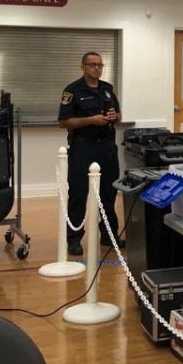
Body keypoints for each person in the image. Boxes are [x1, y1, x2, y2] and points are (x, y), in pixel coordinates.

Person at [58, 51, 122, 257]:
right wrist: (90, 120)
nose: (96, 68)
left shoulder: (107, 89)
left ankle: (109, 235)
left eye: (99, 65)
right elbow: (64, 122)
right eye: (92, 65)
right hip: (83, 147)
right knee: (78, 194)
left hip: (106, 147)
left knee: (109, 194)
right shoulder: (72, 91)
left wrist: (114, 116)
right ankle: (74, 239)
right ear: (83, 67)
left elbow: (118, 116)